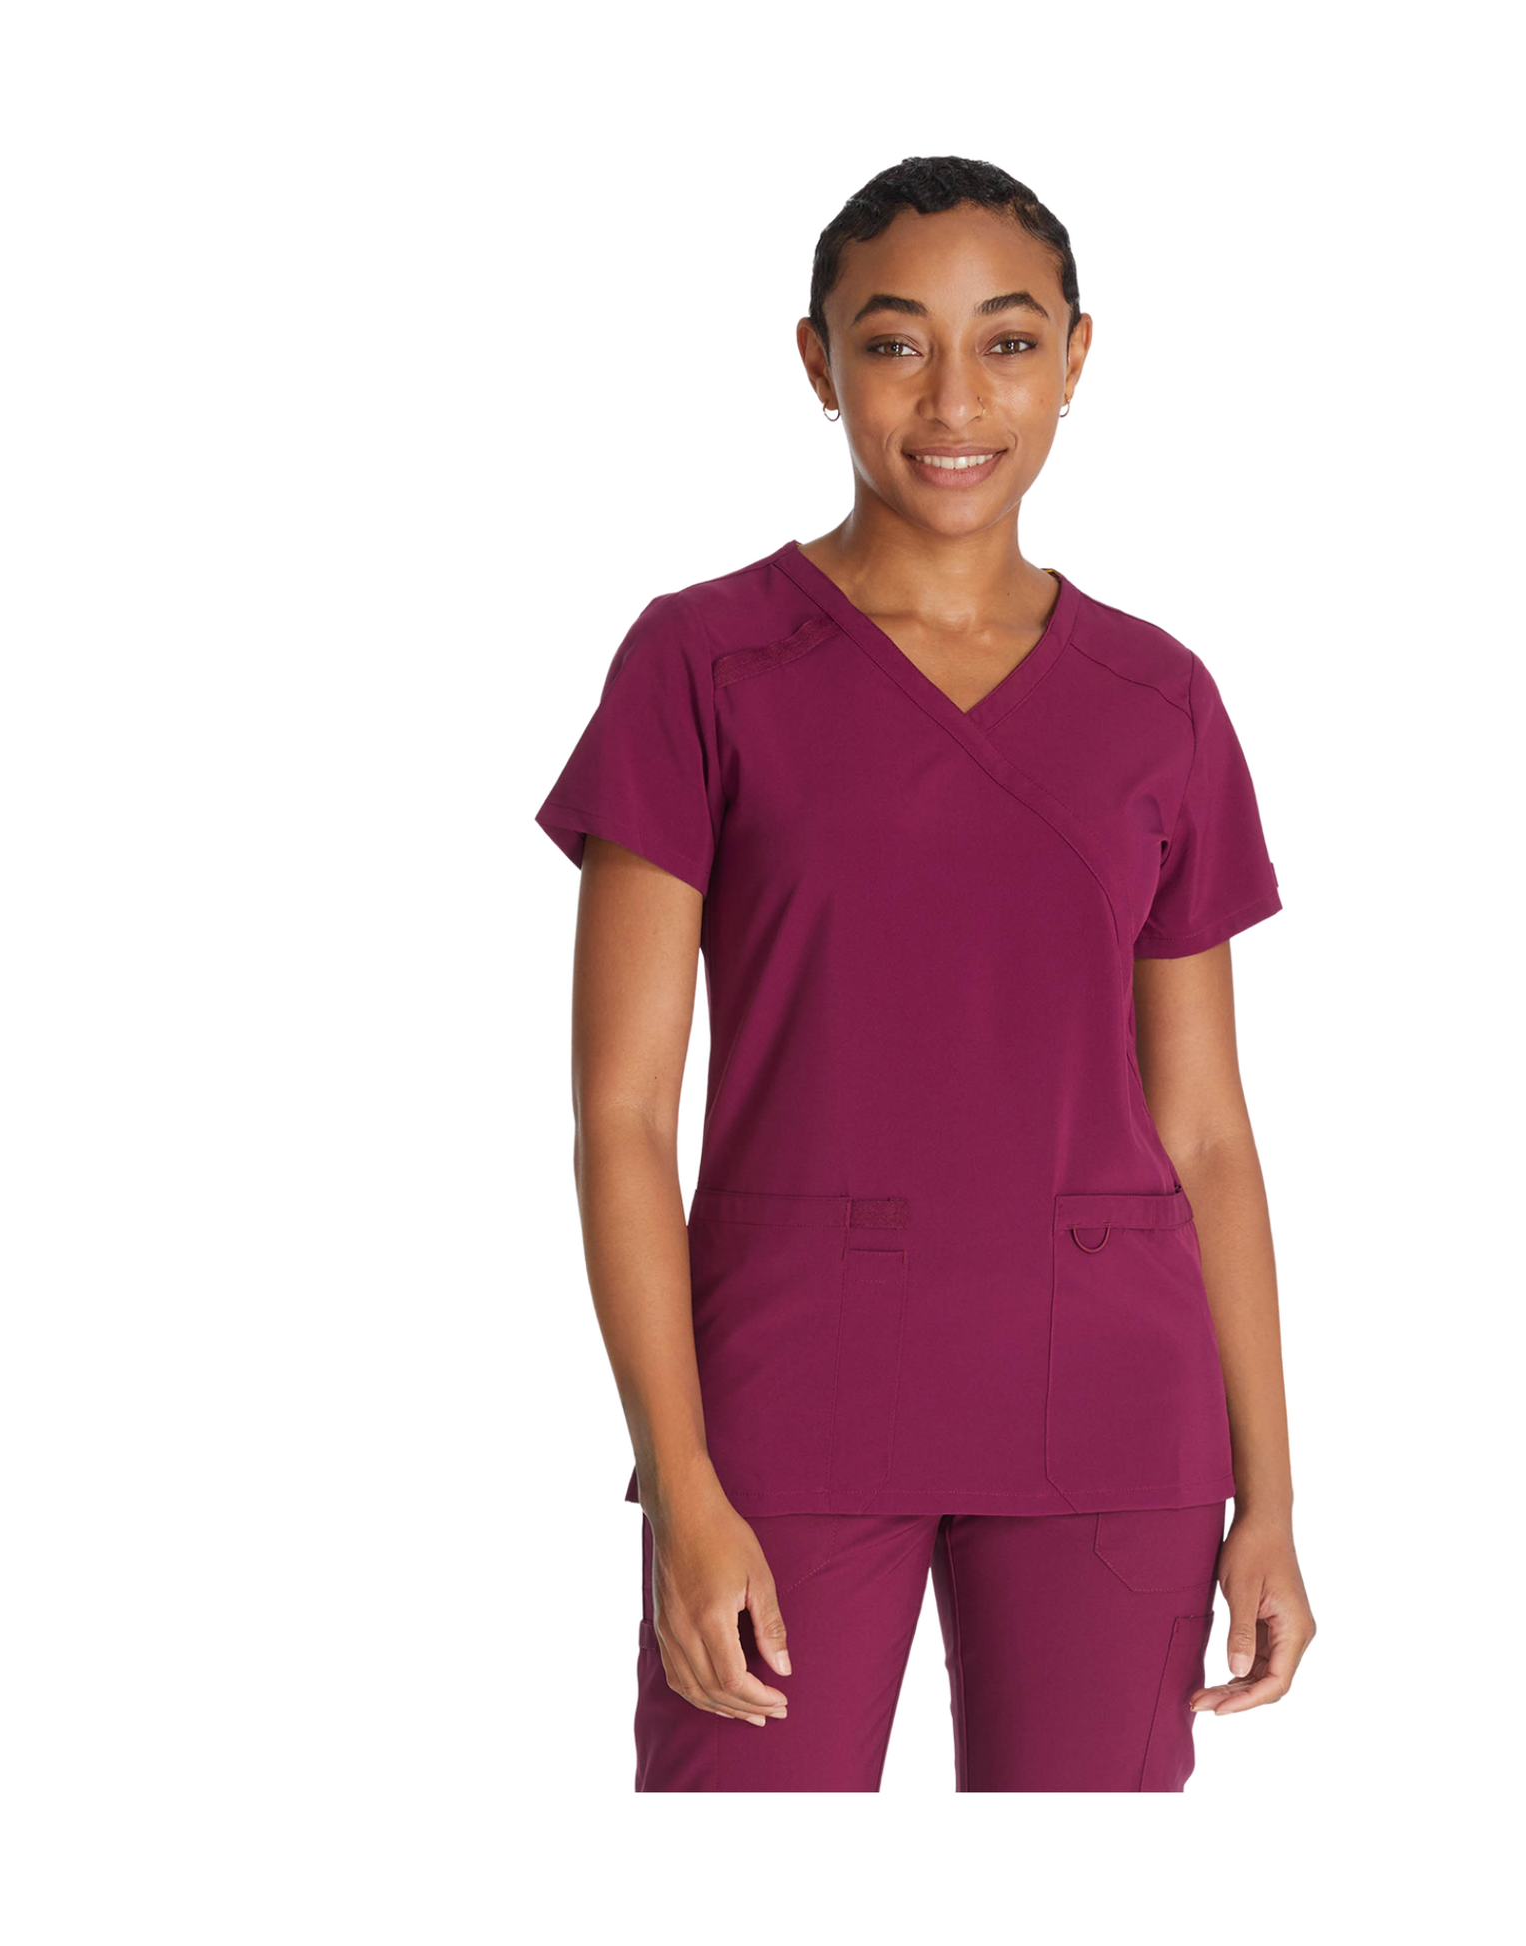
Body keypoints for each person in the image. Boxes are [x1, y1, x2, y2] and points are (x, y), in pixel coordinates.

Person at [536, 155, 1315, 1792]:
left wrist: (1273, 1495)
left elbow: (1207, 1131)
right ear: (816, 362)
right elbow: (622, 1115)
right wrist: (681, 1484)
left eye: (1008, 343)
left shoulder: (1158, 698)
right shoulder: (701, 662)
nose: (955, 400)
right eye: (894, 344)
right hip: (784, 1395)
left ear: (1076, 358)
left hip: (1111, 1405)